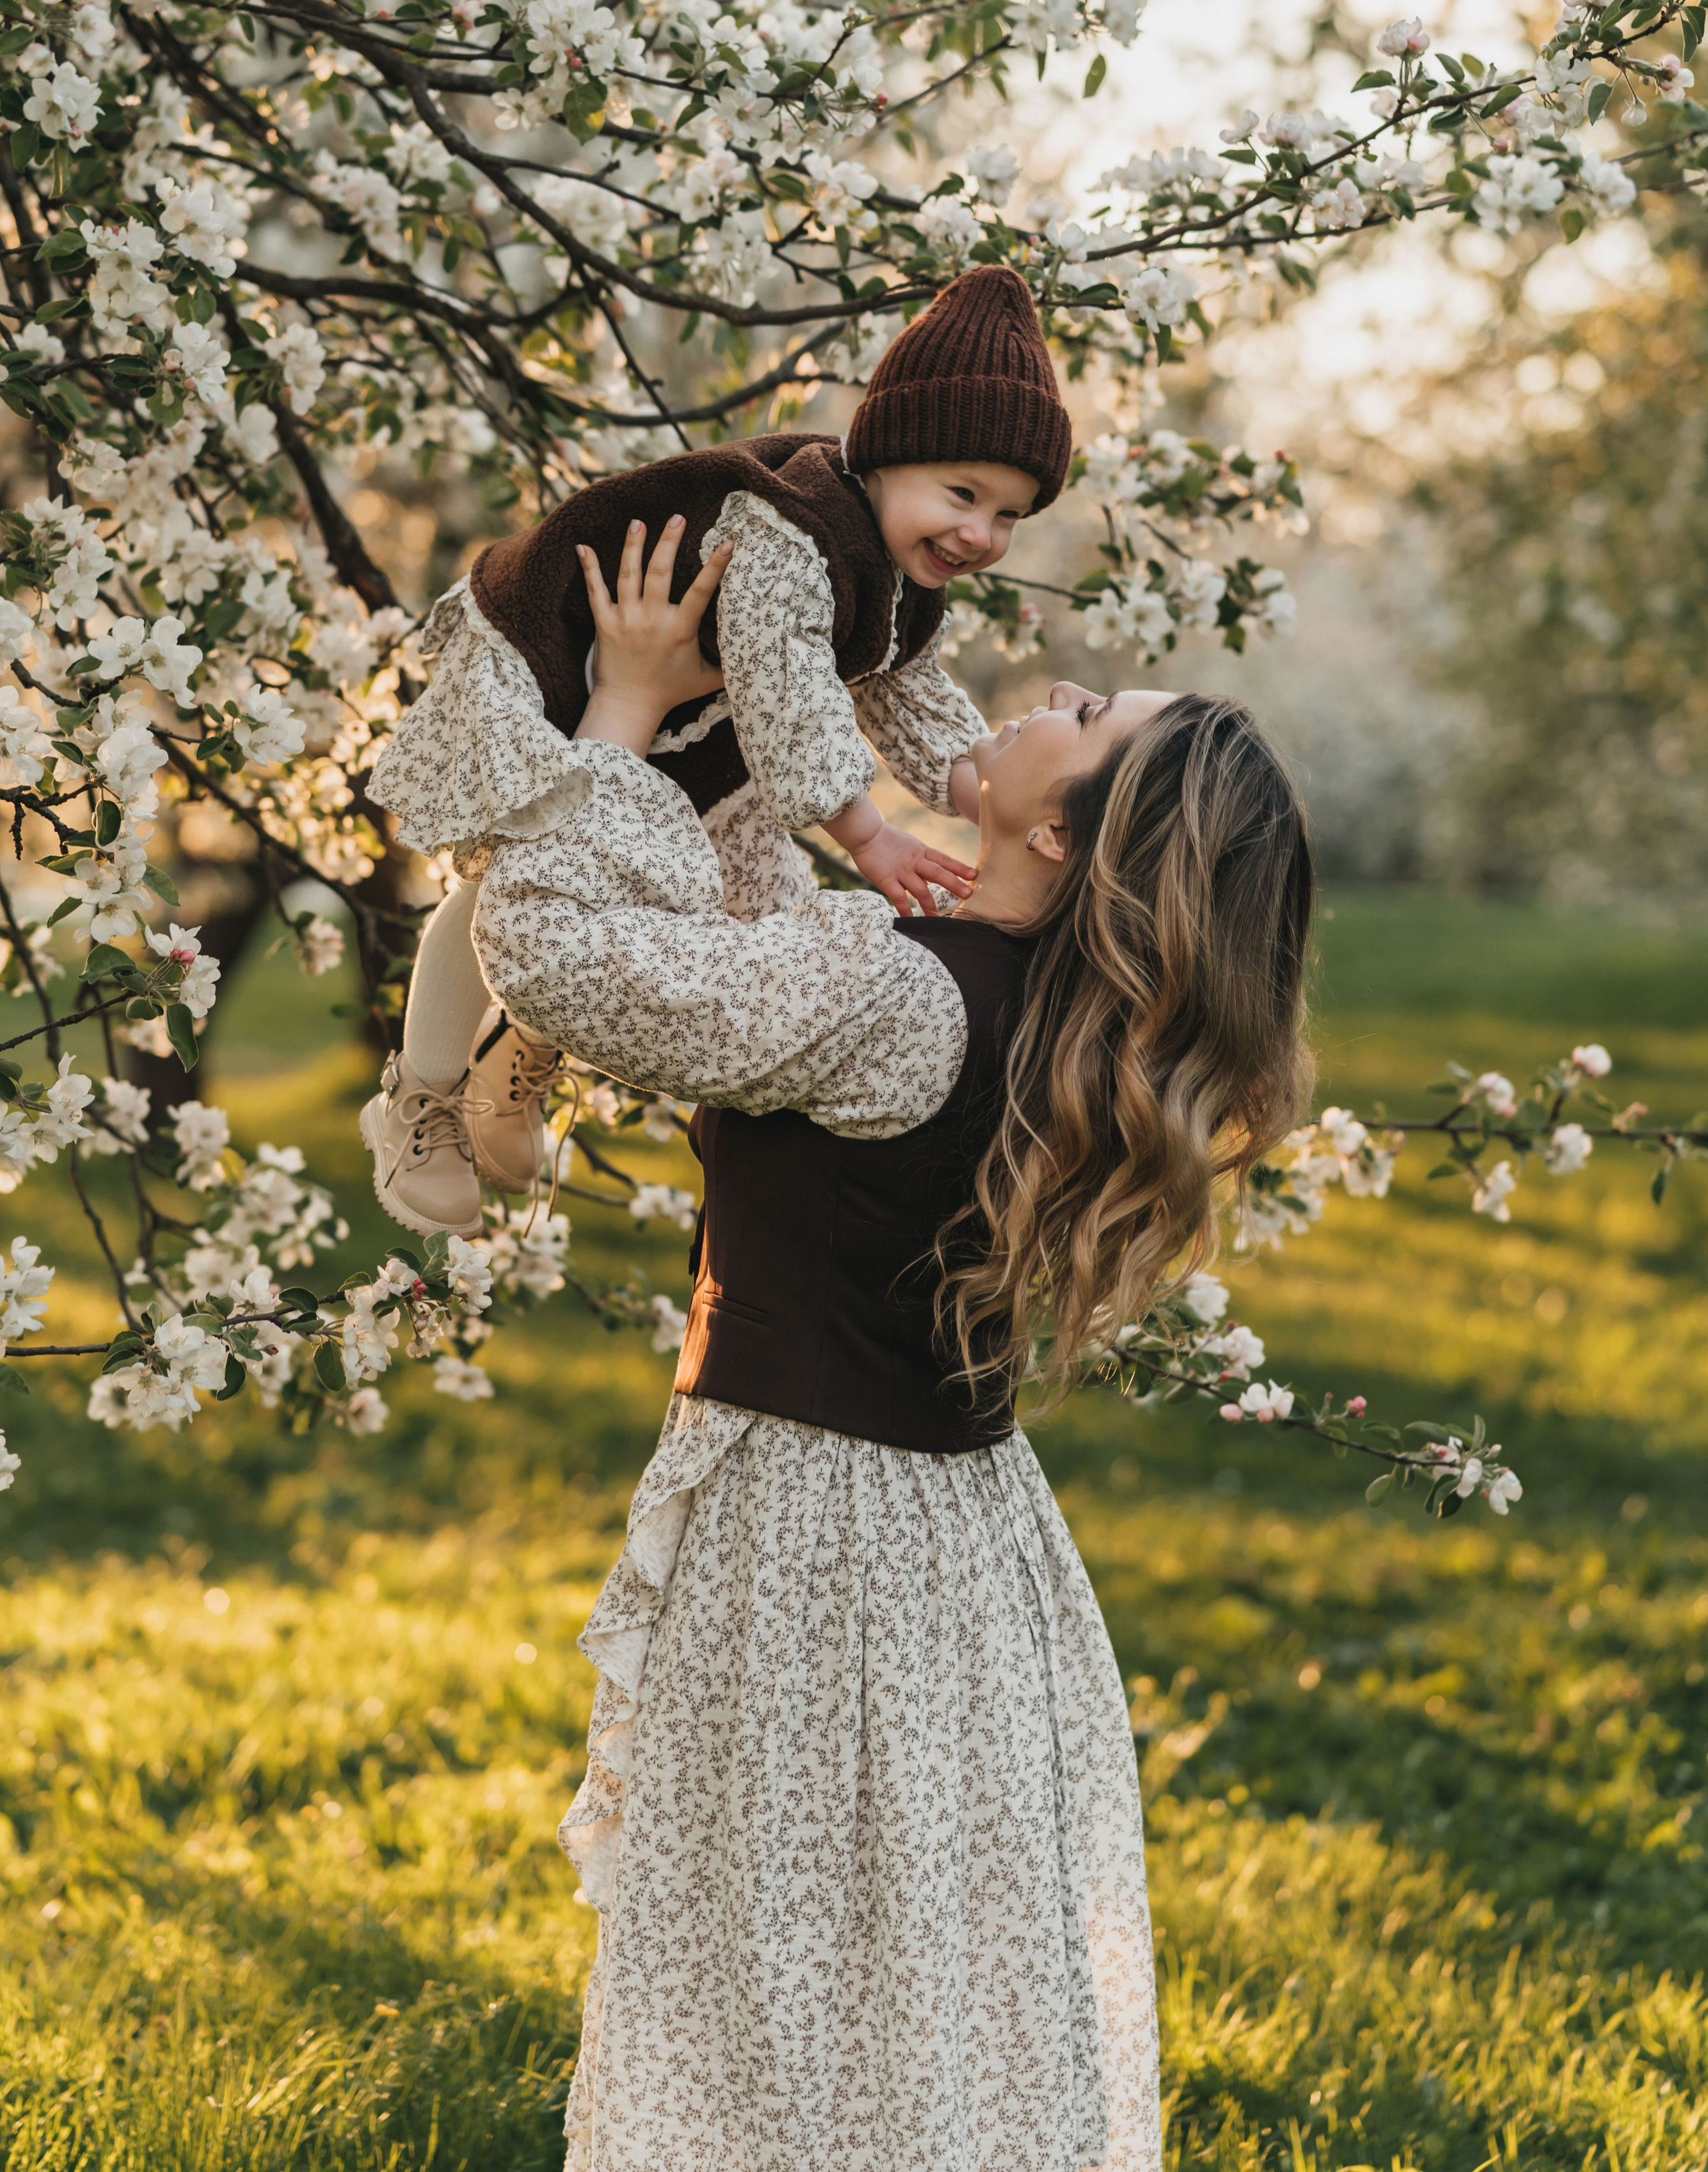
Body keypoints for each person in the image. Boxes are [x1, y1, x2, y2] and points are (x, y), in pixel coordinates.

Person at [470, 519, 1315, 2172]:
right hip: (952, 1548)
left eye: (1088, 716)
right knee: (893, 1992)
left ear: (1061, 832)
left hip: (821, 1548)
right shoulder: (1014, 1010)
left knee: (775, 2007)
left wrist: (622, 712)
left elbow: (568, 962)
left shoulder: (905, 1000)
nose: (1051, 688)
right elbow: (752, 962)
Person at [361, 264, 1072, 1238]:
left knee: (708, 896)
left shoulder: (902, 571)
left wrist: (986, 787)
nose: (981, 533)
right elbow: (788, 692)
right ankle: (422, 1093)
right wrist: (867, 835)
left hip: (687, 722)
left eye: (1009, 515)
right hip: (559, 656)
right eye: (964, 493)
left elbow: (903, 685)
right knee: (509, 873)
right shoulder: (795, 528)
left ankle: (516, 1047)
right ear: (889, 455)